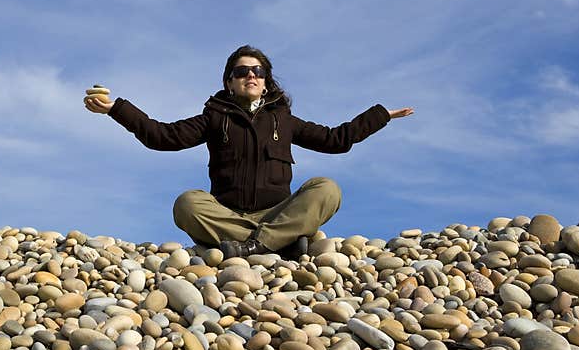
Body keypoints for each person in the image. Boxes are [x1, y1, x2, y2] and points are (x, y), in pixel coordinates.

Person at [84, 45, 414, 259]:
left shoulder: (283, 119)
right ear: (230, 82)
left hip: (277, 211)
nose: (251, 75)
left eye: (257, 71)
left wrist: (380, 116)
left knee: (327, 188)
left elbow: (335, 140)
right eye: (242, 72)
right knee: (186, 203)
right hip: (228, 215)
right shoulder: (214, 118)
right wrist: (116, 109)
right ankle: (277, 243)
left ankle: (255, 244)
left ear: (267, 81)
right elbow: (162, 136)